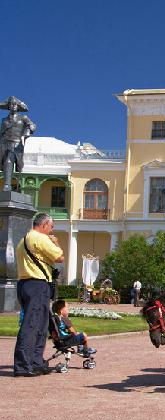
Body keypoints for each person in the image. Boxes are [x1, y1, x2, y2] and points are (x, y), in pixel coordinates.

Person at [13, 213, 64, 377]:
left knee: (40, 326)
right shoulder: (40, 238)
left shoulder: (23, 240)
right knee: (32, 326)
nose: (51, 230)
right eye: (51, 227)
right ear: (44, 225)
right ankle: (23, 366)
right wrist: (55, 242)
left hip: (25, 284)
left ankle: (35, 362)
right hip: (37, 285)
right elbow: (60, 257)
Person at [1, 96, 36, 191]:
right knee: (7, 161)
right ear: (9, 107)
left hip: (17, 144)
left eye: (15, 104)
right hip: (5, 144)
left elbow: (32, 125)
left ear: (18, 106)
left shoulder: (23, 118)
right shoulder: (4, 120)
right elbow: (2, 133)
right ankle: (7, 185)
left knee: (18, 165)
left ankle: (10, 185)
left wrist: (28, 131)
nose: (13, 106)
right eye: (11, 104)